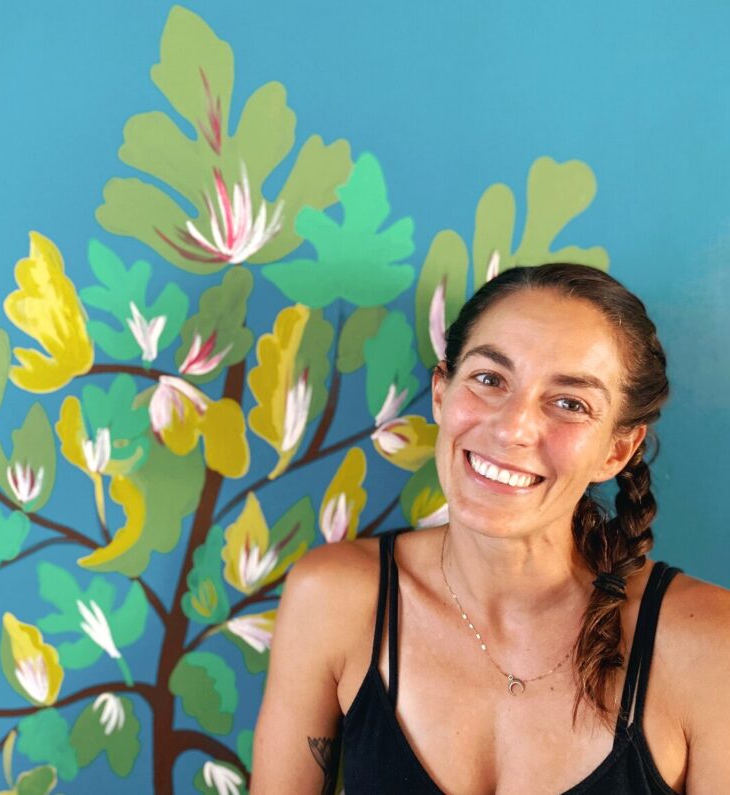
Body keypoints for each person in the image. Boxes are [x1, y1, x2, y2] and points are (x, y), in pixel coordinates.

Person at [252, 264, 730, 793]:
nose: (512, 427)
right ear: (441, 393)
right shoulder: (335, 598)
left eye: (569, 403)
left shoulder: (710, 644)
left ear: (617, 450)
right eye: (489, 379)